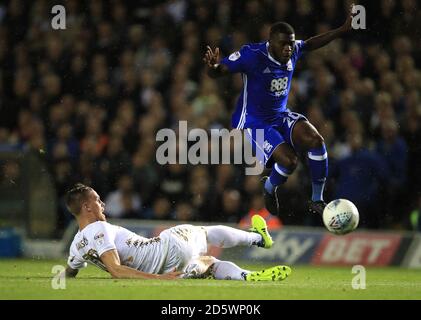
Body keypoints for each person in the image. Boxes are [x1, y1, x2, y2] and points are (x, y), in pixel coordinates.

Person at [203, 5, 355, 217]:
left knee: (316, 141)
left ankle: (317, 199)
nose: (288, 49)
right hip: (255, 122)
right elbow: (221, 70)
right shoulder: (252, 55)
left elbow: (310, 43)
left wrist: (341, 30)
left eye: (291, 44)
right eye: (283, 44)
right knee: (289, 161)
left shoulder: (293, 51)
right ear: (271, 42)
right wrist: (213, 69)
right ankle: (268, 188)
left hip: (280, 114)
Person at [63, 183, 291, 281]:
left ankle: (245, 276)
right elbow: (115, 270)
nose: (102, 203)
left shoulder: (76, 245)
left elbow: (70, 272)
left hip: (170, 268)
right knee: (204, 232)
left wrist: (54, 279)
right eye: (97, 200)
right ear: (86, 207)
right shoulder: (99, 228)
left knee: (209, 263)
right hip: (167, 248)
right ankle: (258, 238)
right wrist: (158, 279)